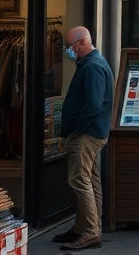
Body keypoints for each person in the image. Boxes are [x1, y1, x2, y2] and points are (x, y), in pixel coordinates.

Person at [53, 27, 114, 250]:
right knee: (90, 179)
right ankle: (84, 227)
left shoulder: (93, 66)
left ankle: (89, 231)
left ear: (81, 43)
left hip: (87, 134)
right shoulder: (91, 64)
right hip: (92, 131)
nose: (69, 51)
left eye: (70, 46)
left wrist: (77, 130)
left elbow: (93, 105)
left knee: (79, 180)